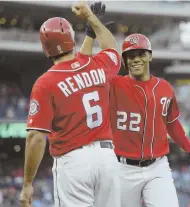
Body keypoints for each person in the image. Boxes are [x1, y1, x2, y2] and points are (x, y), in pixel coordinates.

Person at [19, 1, 121, 207]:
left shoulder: (45, 83)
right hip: (108, 159)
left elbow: (36, 137)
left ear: (46, 49)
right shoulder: (97, 65)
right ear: (72, 41)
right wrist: (92, 20)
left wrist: (28, 183)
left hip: (73, 162)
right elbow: (112, 50)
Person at [109, 33, 190, 207]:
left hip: (157, 167)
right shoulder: (114, 85)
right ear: (124, 60)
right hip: (122, 168)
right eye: (130, 55)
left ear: (150, 55)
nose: (136, 59)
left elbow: (172, 123)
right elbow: (100, 62)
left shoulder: (164, 88)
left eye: (141, 54)